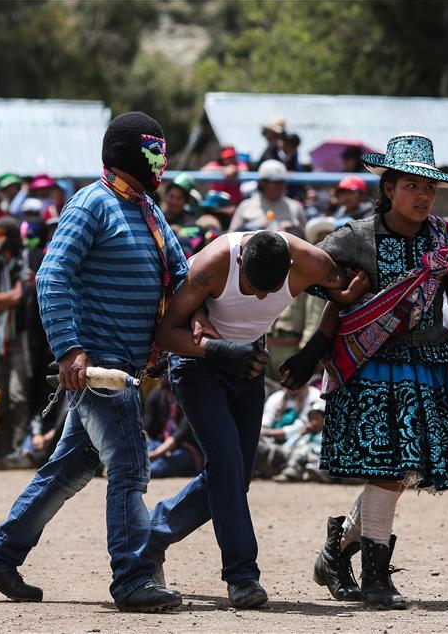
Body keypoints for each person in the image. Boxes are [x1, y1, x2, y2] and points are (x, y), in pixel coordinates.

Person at [0, 112, 186, 612]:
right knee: (129, 467)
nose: (162, 162)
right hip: (99, 367)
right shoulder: (93, 202)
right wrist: (68, 348)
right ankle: (132, 579)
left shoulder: (147, 209)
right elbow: (52, 275)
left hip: (128, 363)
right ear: (132, 153)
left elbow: (180, 272)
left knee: (72, 466)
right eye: (155, 151)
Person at [280, 132, 448, 609]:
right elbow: (310, 271)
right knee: (389, 470)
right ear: (388, 188)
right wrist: (342, 294)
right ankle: (374, 577)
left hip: (431, 363)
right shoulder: (356, 236)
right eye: (411, 185)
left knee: (400, 471)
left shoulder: (446, 236)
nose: (422, 196)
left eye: (429, 187)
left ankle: (336, 553)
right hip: (372, 364)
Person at [142, 226, 367, 609]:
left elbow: (348, 292)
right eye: (253, 287)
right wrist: (219, 350)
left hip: (250, 364)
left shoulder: (311, 262)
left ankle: (152, 534)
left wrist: (313, 349)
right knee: (226, 463)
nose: (262, 296)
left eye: (271, 289)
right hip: (199, 364)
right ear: (240, 260)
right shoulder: (213, 264)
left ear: (291, 266)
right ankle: (242, 575)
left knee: (236, 477)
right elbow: (166, 332)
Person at [0, 217, 31, 456]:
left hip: (18, 339)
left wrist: (0, 299)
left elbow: (19, 296)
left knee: (17, 394)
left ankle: (20, 447)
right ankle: (2, 448)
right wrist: (8, 298)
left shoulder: (23, 262)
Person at [143, 379, 202, 478]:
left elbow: (179, 436)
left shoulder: (190, 400)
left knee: (168, 462)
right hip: (158, 443)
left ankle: (143, 472)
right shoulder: (156, 395)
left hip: (183, 447)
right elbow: (147, 429)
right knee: (147, 449)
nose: (170, 395)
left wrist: (153, 454)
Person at [229, 160, 307, 231]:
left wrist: (290, 232)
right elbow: (231, 236)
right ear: (263, 183)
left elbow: (306, 237)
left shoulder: (295, 207)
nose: (280, 186)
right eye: (275, 182)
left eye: (282, 181)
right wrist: (252, 229)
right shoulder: (246, 206)